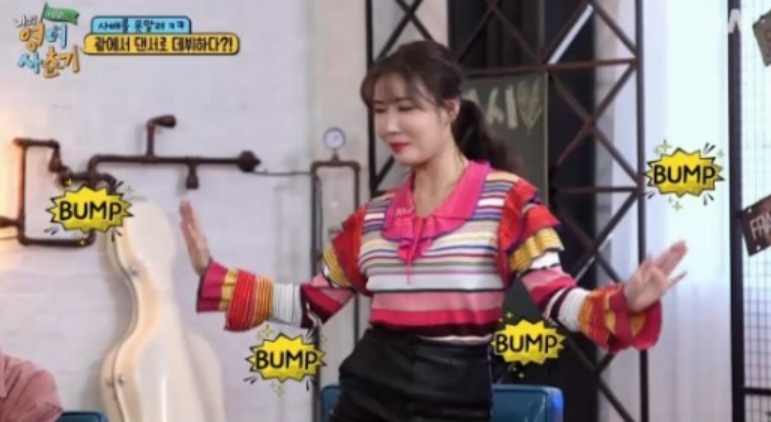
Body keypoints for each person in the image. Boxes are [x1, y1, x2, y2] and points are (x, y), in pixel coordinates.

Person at [179, 40, 687, 422]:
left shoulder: (507, 201)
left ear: (449, 110)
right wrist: (215, 275)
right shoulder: (372, 218)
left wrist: (626, 301)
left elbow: (556, 299)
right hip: (364, 399)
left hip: (454, 403)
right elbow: (313, 303)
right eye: (380, 111)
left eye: (407, 109)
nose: (389, 126)